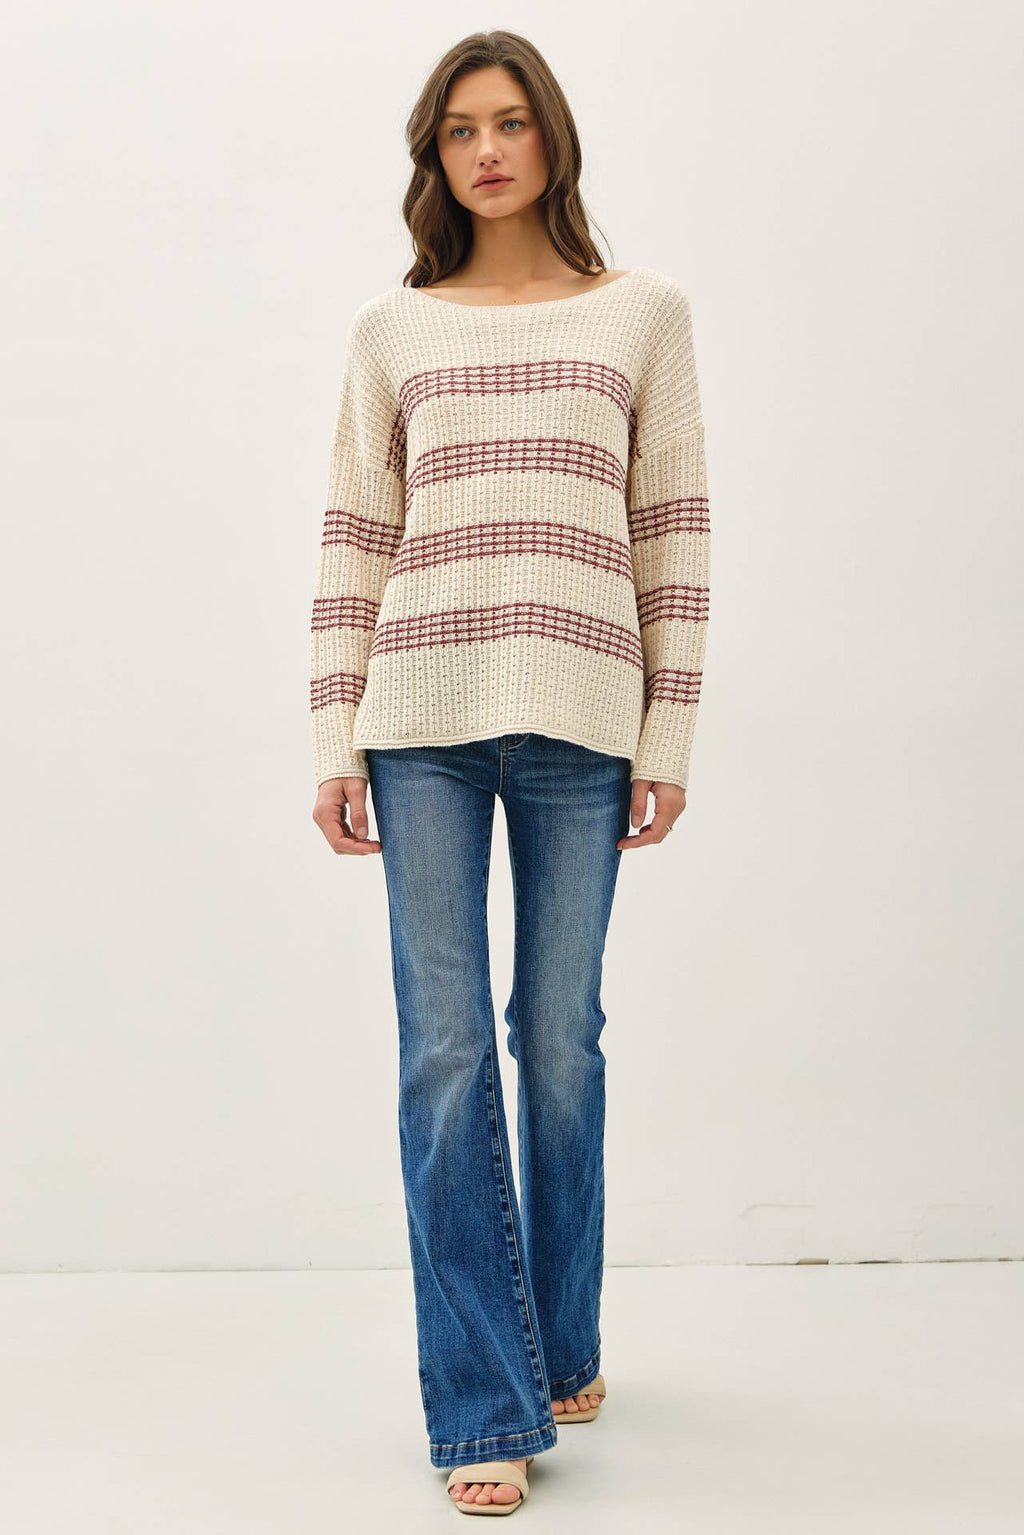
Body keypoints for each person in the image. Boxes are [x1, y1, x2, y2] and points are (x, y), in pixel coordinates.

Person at [309, 28, 711, 1517]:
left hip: (584, 721)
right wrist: (332, 735)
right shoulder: (391, 329)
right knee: (443, 1050)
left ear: (554, 140)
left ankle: (566, 1344)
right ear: (436, 156)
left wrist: (669, 733)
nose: (487, 151)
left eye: (512, 122)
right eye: (460, 130)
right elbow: (356, 535)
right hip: (416, 718)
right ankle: (485, 1404)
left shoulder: (644, 314)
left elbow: (674, 530)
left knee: (561, 1038)